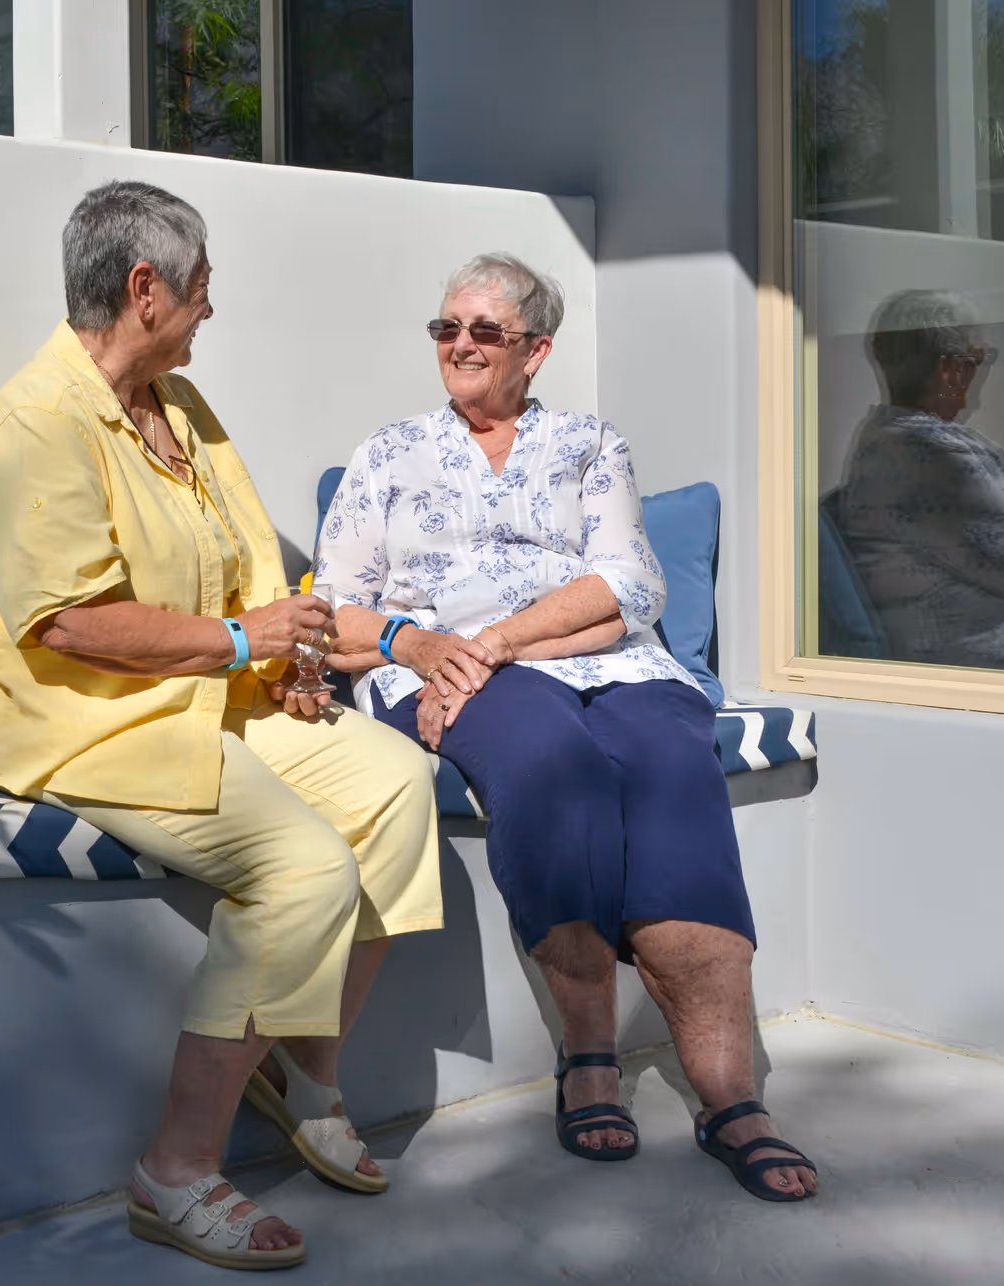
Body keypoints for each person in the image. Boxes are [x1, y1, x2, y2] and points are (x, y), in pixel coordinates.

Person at [0, 180, 444, 1270]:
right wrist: (239, 640)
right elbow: (71, 621)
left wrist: (290, 658)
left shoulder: (178, 405)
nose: (211, 306)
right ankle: (172, 1170)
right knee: (304, 866)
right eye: (203, 284)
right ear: (146, 290)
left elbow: (247, 565)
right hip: (84, 719)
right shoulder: (37, 421)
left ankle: (307, 1076)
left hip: (210, 693)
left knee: (398, 786)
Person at [315, 252, 819, 1202]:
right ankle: (588, 1052)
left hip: (576, 659)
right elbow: (331, 611)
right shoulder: (391, 453)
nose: (460, 345)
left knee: (672, 766)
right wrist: (424, 645)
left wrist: (498, 643)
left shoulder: (588, 444)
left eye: (485, 331)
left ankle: (726, 1086)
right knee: (551, 763)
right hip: (449, 671)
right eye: (446, 328)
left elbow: (628, 590)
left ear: (536, 350)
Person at [835, 289, 1004, 671]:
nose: (983, 373)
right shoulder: (929, 454)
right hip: (978, 662)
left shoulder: (891, 438)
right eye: (981, 359)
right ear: (950, 370)